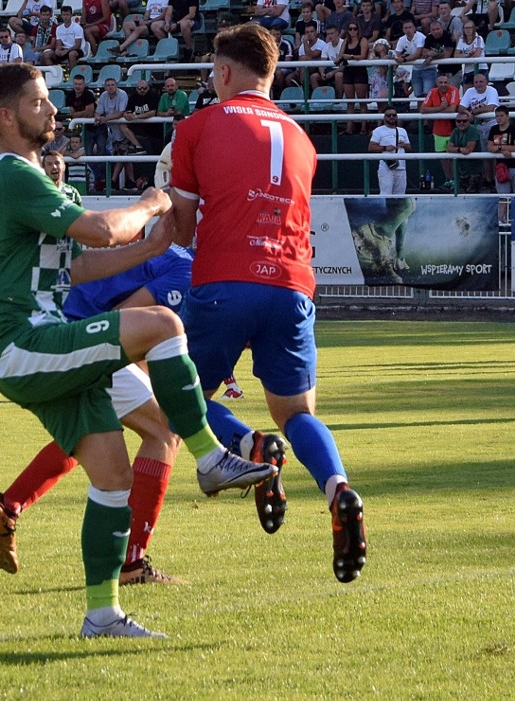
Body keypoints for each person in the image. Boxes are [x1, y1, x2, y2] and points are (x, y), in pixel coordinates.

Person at [0, 63, 276, 639]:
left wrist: (151, 247)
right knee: (160, 323)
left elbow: (80, 267)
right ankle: (211, 458)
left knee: (112, 474)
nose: (53, 109)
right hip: (19, 341)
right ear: (7, 117)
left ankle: (102, 615)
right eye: (39, 101)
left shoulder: (31, 178)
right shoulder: (12, 174)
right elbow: (101, 231)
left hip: (34, 337)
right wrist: (153, 205)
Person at [169, 23, 367, 585]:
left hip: (225, 282)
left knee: (176, 396)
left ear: (225, 72)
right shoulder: (301, 137)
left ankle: (249, 444)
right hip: (291, 285)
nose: (212, 79)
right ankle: (339, 489)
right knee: (299, 412)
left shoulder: (199, 126)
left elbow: (183, 231)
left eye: (212, 71)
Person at [0, 148, 193, 586]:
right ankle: (131, 562)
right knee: (162, 431)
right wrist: (152, 205)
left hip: (53, 331)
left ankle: (10, 506)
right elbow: (133, 315)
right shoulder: (177, 265)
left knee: (91, 435)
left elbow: (76, 268)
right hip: (70, 336)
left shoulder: (43, 206)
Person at [420, 73, 459, 188]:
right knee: (443, 158)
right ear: (437, 84)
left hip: (453, 130)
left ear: (449, 83)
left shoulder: (454, 90)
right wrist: (440, 108)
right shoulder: (432, 92)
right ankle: (449, 180)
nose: (443, 85)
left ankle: (456, 180)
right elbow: (422, 109)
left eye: (445, 82)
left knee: (453, 157)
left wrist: (434, 111)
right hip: (438, 131)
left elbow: (452, 109)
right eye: (441, 82)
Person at [368, 106, 412, 194]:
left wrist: (402, 145)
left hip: (401, 167)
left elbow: (409, 147)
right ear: (384, 117)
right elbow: (371, 147)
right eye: (388, 115)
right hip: (386, 167)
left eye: (394, 115)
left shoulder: (402, 131)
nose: (391, 117)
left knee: (400, 196)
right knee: (386, 193)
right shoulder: (378, 131)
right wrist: (385, 148)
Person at [336, 21, 369, 134]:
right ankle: (349, 128)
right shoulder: (345, 41)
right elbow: (340, 55)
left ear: (358, 30)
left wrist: (350, 56)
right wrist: (339, 59)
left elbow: (363, 56)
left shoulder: (363, 40)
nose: (352, 31)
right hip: (348, 71)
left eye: (355, 29)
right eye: (350, 29)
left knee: (362, 101)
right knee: (350, 102)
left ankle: (364, 128)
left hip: (359, 71)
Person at [486, 105, 515, 223]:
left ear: (507, 116)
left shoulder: (514, 129)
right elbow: (490, 147)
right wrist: (503, 149)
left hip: (513, 166)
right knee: (503, 196)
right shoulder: (493, 129)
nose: (499, 118)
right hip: (501, 167)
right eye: (497, 116)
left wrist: (499, 148)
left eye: (501, 116)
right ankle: (501, 221)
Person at [395, 20, 436, 99]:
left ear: (414, 28)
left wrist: (404, 59)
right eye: (406, 28)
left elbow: (418, 54)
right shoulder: (402, 39)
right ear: (403, 30)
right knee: (418, 95)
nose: (408, 30)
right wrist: (400, 57)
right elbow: (398, 54)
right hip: (416, 70)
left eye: (410, 27)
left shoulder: (420, 37)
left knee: (428, 95)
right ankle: (420, 111)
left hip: (428, 68)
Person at [447, 112, 483, 192]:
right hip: (460, 172)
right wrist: (459, 150)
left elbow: (468, 150)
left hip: (474, 172)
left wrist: (455, 149)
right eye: (458, 121)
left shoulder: (473, 129)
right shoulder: (455, 131)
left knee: (472, 196)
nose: (461, 123)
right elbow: (449, 148)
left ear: (469, 121)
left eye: (464, 121)